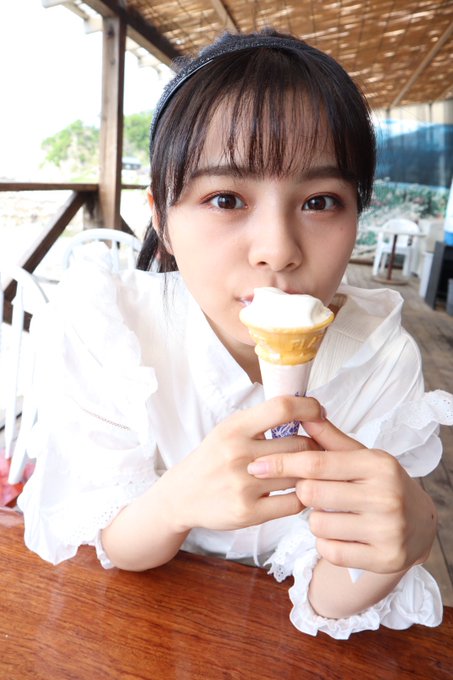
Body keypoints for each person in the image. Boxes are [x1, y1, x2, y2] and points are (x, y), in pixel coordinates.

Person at [19, 28, 453, 639]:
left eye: (321, 201)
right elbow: (114, 542)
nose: (278, 250)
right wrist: (176, 501)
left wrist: (394, 549)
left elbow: (330, 597)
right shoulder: (109, 327)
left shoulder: (377, 357)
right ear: (162, 219)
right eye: (226, 199)